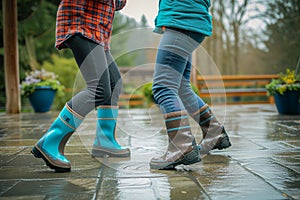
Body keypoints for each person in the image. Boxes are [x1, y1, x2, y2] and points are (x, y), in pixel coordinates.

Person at [31, 0, 130, 172]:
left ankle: (104, 141)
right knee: (99, 88)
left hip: (98, 31)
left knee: (114, 83)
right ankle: (50, 141)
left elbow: (118, 4)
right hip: (80, 23)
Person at [150, 0, 231, 170]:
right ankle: (213, 132)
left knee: (163, 87)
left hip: (181, 19)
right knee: (180, 87)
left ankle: (181, 146)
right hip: (191, 20)